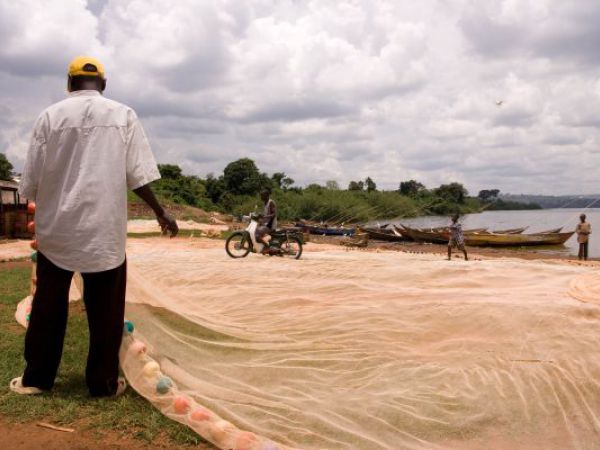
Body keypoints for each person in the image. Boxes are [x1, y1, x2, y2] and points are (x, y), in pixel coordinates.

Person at [10, 56, 178, 397]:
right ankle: (102, 384)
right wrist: (161, 212)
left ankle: (36, 380)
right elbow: (139, 176)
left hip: (57, 230)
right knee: (106, 313)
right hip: (104, 233)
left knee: (47, 308)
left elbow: (30, 181)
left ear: (69, 84)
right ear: (103, 83)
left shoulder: (50, 116)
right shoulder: (124, 115)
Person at [256, 188, 277, 254]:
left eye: (262, 195)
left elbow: (274, 214)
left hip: (271, 225)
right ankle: (263, 246)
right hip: (267, 224)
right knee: (256, 231)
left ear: (267, 196)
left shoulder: (271, 203)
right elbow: (266, 214)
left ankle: (266, 246)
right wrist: (260, 215)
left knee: (257, 235)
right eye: (261, 195)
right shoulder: (265, 203)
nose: (261, 197)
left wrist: (264, 216)